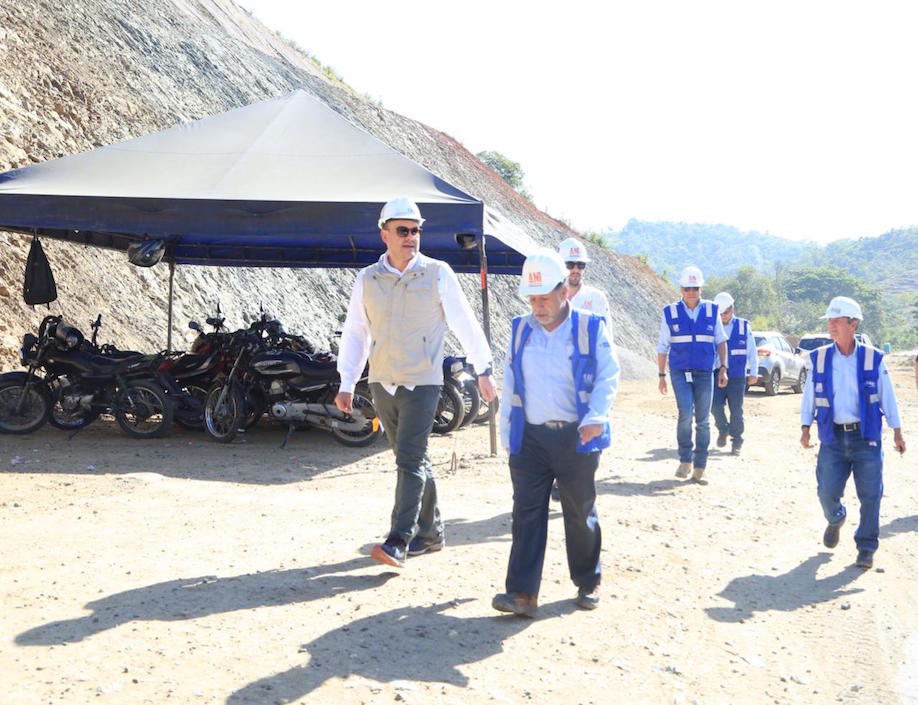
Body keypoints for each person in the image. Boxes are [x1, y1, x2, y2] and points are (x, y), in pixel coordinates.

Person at [335, 196, 497, 568]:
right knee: (412, 458)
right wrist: (347, 382)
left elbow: (464, 322)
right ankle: (432, 532)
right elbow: (356, 332)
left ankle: (398, 540)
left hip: (422, 383)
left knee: (408, 459)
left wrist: (483, 369)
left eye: (416, 231)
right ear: (385, 234)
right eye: (403, 230)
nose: (412, 237)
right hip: (381, 382)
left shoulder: (438, 273)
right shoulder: (367, 279)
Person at [492, 249, 620, 618]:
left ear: (564, 291)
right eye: (532, 299)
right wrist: (507, 436)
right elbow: (511, 380)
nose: (538, 306)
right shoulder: (520, 330)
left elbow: (609, 374)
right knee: (526, 513)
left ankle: (588, 580)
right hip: (530, 439)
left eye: (544, 298)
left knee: (579, 510)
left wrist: (597, 416)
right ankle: (521, 593)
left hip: (576, 436)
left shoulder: (590, 326)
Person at [800, 296, 906, 570]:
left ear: (854, 323)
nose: (832, 326)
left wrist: (897, 431)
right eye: (830, 321)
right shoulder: (820, 358)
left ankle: (866, 548)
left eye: (837, 320)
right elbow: (810, 395)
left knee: (871, 495)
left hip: (865, 438)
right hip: (833, 438)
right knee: (826, 491)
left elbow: (887, 396)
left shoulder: (873, 359)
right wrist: (804, 428)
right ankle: (836, 518)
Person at [550, 237, 616, 502]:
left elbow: (607, 340)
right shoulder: (549, 296)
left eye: (579, 265)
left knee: (589, 434)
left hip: (587, 379)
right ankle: (560, 481)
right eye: (570, 264)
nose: (575, 269)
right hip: (559, 378)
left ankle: (579, 483)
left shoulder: (596, 299)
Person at [657, 266, 728, 482]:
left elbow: (721, 340)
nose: (691, 292)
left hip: (705, 373)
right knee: (686, 414)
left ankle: (700, 466)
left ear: (701, 288)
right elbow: (662, 346)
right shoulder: (670, 312)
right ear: (680, 288)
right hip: (679, 373)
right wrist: (661, 375)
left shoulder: (712, 311)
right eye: (687, 288)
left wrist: (723, 367)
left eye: (695, 288)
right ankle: (685, 460)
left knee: (703, 420)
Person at [709, 292, 758, 456]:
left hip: (737, 375)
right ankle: (723, 429)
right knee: (714, 406)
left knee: (736, 410)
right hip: (717, 374)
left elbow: (752, 351)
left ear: (732, 308)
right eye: (720, 313)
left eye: (726, 312)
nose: (723, 316)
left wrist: (754, 372)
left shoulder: (744, 326)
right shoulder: (713, 325)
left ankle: (737, 441)